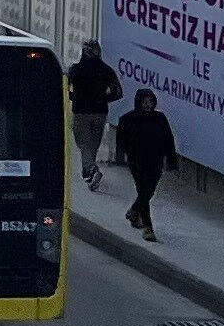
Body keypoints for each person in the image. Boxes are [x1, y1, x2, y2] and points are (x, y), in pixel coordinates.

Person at [116, 86, 178, 239]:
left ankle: (134, 211)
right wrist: (122, 156)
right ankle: (148, 227)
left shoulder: (160, 118)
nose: (148, 105)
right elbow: (121, 141)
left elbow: (168, 139)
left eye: (150, 102)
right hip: (137, 161)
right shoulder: (128, 119)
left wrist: (171, 159)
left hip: (155, 160)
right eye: (144, 102)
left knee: (149, 191)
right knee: (143, 190)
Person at [69, 41, 120, 190]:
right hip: (100, 112)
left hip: (81, 112)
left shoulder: (75, 70)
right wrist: (103, 99)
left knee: (83, 144)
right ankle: (89, 174)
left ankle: (91, 169)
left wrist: (74, 97)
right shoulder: (106, 70)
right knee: (93, 145)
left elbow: (65, 86)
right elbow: (117, 91)